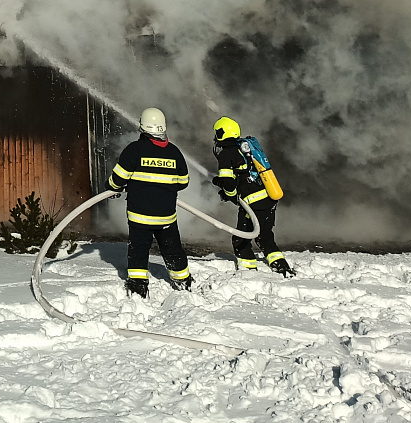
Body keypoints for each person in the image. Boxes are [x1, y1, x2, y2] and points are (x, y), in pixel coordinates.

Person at [107, 107, 193, 298]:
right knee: (173, 250)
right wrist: (163, 188)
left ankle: (138, 288)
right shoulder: (174, 152)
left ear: (142, 127)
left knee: (138, 251)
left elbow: (118, 180)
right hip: (166, 217)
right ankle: (183, 282)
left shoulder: (134, 150)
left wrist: (112, 186)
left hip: (140, 217)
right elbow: (183, 182)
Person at [212, 116, 295, 277]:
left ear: (222, 133)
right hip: (268, 199)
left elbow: (229, 183)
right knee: (265, 236)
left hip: (252, 204)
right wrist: (225, 187)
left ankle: (249, 272)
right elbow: (240, 177)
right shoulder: (245, 149)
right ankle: (282, 267)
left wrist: (230, 195)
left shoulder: (226, 154)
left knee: (241, 239)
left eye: (217, 133)